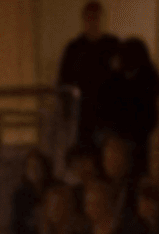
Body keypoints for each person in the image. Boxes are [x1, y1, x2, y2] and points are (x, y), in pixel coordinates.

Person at [58, 2, 119, 150]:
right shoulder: (74, 49)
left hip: (108, 112)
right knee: (85, 151)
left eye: (96, 18)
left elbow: (121, 79)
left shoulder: (113, 45)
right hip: (82, 114)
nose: (93, 22)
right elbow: (64, 82)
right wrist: (67, 112)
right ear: (84, 20)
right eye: (90, 18)